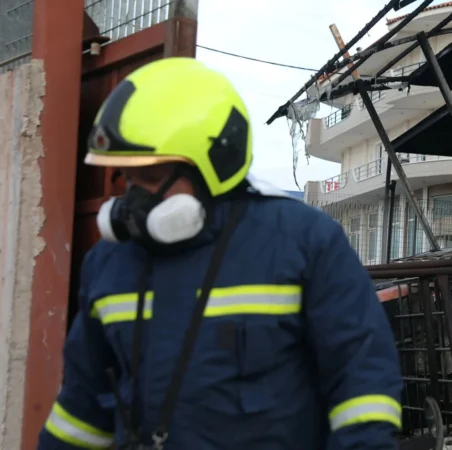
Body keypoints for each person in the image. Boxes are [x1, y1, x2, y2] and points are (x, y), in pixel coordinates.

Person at [38, 58, 403, 450]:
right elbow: (81, 409)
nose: (134, 200)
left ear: (215, 163)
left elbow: (363, 388)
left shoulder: (305, 244)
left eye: (153, 177)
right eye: (128, 178)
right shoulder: (109, 262)